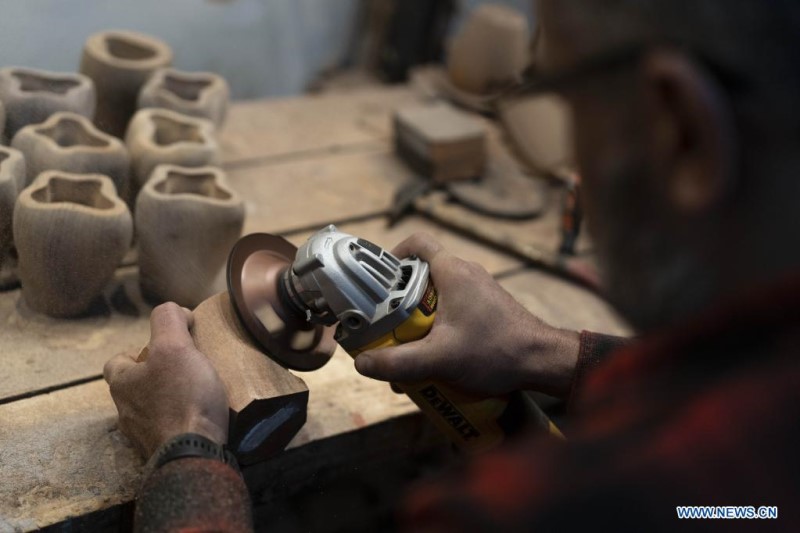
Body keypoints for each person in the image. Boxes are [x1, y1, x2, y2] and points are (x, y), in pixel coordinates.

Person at [104, 0, 800, 530]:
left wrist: (187, 446)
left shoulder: (547, 506)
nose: (567, 174)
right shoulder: (743, 474)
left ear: (679, 130)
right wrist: (549, 351)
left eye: (566, 103)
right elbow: (743, 509)